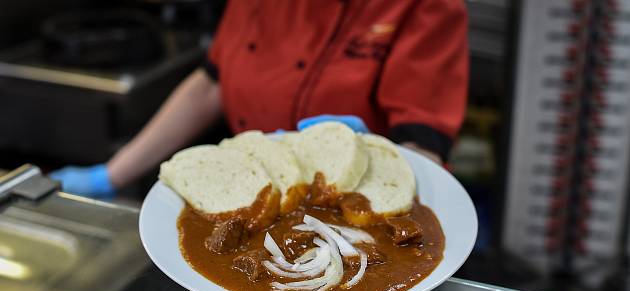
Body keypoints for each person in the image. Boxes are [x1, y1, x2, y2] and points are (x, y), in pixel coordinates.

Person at [51, 0, 469, 197]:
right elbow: (212, 84)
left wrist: (376, 155)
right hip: (253, 194)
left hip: (354, 211)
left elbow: (424, 146)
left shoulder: (425, 6)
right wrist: (111, 174)